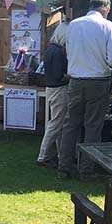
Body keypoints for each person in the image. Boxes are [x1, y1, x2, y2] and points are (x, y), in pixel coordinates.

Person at [57, 0, 112, 180]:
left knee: (71, 124)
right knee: (93, 126)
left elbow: (68, 51)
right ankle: (86, 169)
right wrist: (111, 68)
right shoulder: (108, 26)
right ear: (106, 8)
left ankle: (64, 166)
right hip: (98, 81)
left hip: (76, 80)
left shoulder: (74, 25)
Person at [36, 22, 69, 168]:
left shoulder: (50, 49)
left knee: (58, 123)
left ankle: (58, 154)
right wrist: (72, 75)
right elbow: (59, 75)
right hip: (59, 89)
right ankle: (43, 156)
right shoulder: (58, 52)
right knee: (55, 124)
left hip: (51, 88)